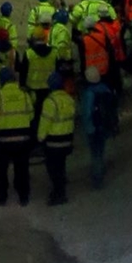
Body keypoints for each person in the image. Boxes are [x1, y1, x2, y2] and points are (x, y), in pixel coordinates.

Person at [0, 63, 36, 207]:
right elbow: (31, 116)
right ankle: (23, 196)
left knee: (2, 169)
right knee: (22, 168)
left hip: (3, 141)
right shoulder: (24, 95)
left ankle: (2, 197)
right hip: (23, 139)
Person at [37, 71, 76, 205]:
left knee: (53, 168)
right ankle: (61, 186)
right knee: (61, 165)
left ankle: (59, 193)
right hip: (67, 139)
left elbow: (45, 122)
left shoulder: (50, 102)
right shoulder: (69, 99)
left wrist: (40, 138)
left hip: (54, 141)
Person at [81, 63, 115, 189]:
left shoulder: (89, 93)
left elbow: (87, 113)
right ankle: (101, 168)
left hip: (93, 128)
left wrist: (87, 128)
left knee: (95, 153)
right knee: (101, 150)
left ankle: (97, 178)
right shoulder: (106, 89)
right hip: (104, 125)